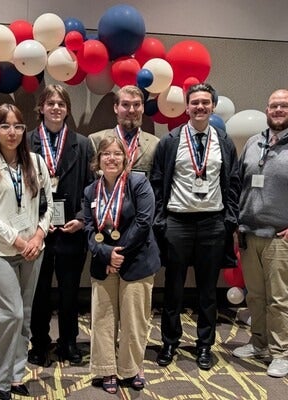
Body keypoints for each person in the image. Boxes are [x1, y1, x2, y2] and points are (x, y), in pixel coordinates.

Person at [151, 83, 240, 370]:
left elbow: (234, 182)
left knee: (206, 291)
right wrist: (161, 220)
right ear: (186, 107)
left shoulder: (224, 141)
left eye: (205, 102)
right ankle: (169, 342)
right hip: (178, 221)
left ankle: (204, 345)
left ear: (213, 106)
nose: (200, 107)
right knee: (173, 288)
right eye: (195, 103)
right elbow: (157, 180)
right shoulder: (171, 141)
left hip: (213, 223)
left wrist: (230, 219)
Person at [0, 103, 53, 399]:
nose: (12, 132)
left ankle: (17, 375)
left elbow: (47, 206)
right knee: (11, 315)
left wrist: (39, 235)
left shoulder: (36, 162)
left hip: (33, 250)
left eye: (18, 126)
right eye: (5, 126)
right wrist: (19, 241)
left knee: (25, 316)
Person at [84, 136, 160, 394]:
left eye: (117, 154)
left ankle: (131, 368)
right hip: (104, 264)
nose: (111, 158)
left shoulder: (138, 183)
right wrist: (105, 254)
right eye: (106, 154)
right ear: (98, 160)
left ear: (125, 159)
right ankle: (106, 369)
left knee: (133, 320)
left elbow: (143, 222)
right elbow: (87, 228)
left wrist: (119, 254)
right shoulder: (90, 190)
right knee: (104, 318)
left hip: (136, 261)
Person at [27, 84, 93, 366]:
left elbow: (92, 188)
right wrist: (36, 222)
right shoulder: (26, 142)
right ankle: (39, 343)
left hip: (71, 230)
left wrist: (81, 217)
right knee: (38, 292)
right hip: (36, 231)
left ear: (67, 110)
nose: (56, 108)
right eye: (50, 103)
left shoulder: (83, 143)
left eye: (61, 104)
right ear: (40, 108)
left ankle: (68, 342)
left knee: (70, 292)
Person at [233, 89, 288, 378]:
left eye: (284, 106)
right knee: (255, 295)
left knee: (279, 299)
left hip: (280, 236)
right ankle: (258, 344)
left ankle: (281, 352)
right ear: (266, 110)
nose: (278, 110)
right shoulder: (254, 142)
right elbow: (241, 183)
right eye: (274, 105)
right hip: (248, 232)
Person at [89, 85, 159, 177]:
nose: (131, 110)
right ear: (115, 108)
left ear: (143, 108)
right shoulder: (96, 140)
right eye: (125, 104)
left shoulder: (155, 144)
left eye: (136, 104)